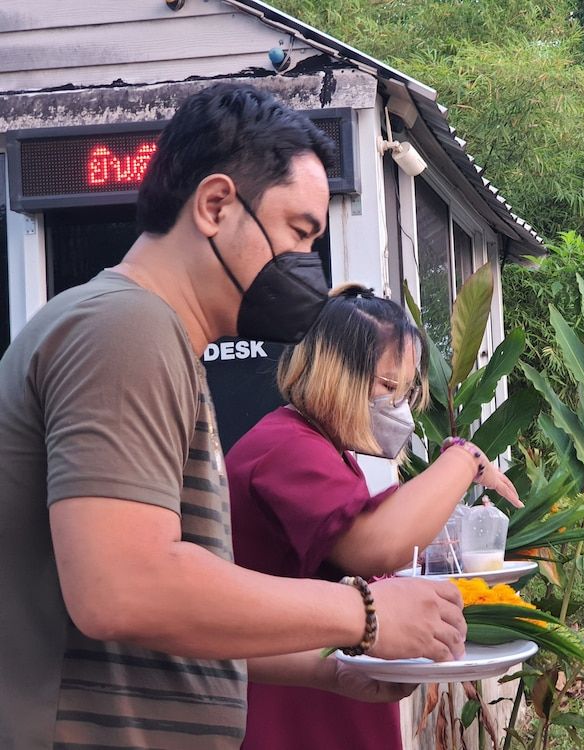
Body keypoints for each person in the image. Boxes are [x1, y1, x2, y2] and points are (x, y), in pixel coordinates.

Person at [0, 83, 466, 749]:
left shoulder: (145, 337)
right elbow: (122, 589)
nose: (307, 263)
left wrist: (328, 671)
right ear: (216, 205)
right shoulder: (126, 327)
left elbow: (163, 624)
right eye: (298, 231)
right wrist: (363, 612)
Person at [225, 283, 520, 750]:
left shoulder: (320, 449)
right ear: (334, 373)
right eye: (386, 387)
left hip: (326, 697)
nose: (397, 408)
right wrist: (461, 459)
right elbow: (374, 545)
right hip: (292, 724)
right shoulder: (286, 448)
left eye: (403, 392)